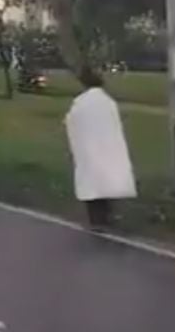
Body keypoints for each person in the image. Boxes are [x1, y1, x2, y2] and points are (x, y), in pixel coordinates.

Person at [65, 70, 137, 230]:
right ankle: (108, 216)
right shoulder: (109, 102)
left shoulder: (81, 102)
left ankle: (96, 220)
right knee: (106, 181)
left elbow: (73, 121)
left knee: (91, 183)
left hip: (90, 146)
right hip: (108, 146)